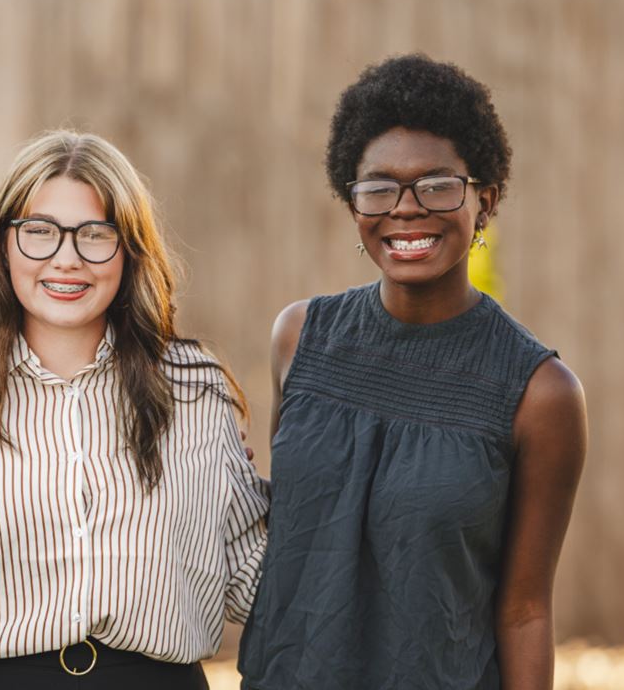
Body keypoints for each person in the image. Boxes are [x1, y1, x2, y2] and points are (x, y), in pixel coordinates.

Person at [238, 55, 588, 689]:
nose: (406, 208)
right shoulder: (299, 339)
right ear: (353, 203)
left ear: (486, 200)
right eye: (379, 186)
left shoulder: (540, 394)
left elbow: (526, 611)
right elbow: (298, 540)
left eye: (437, 184)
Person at [0, 130, 270, 689]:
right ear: (2, 245)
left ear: (129, 249)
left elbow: (254, 579)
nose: (67, 259)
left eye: (95, 234)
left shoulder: (192, 386)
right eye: (39, 232)